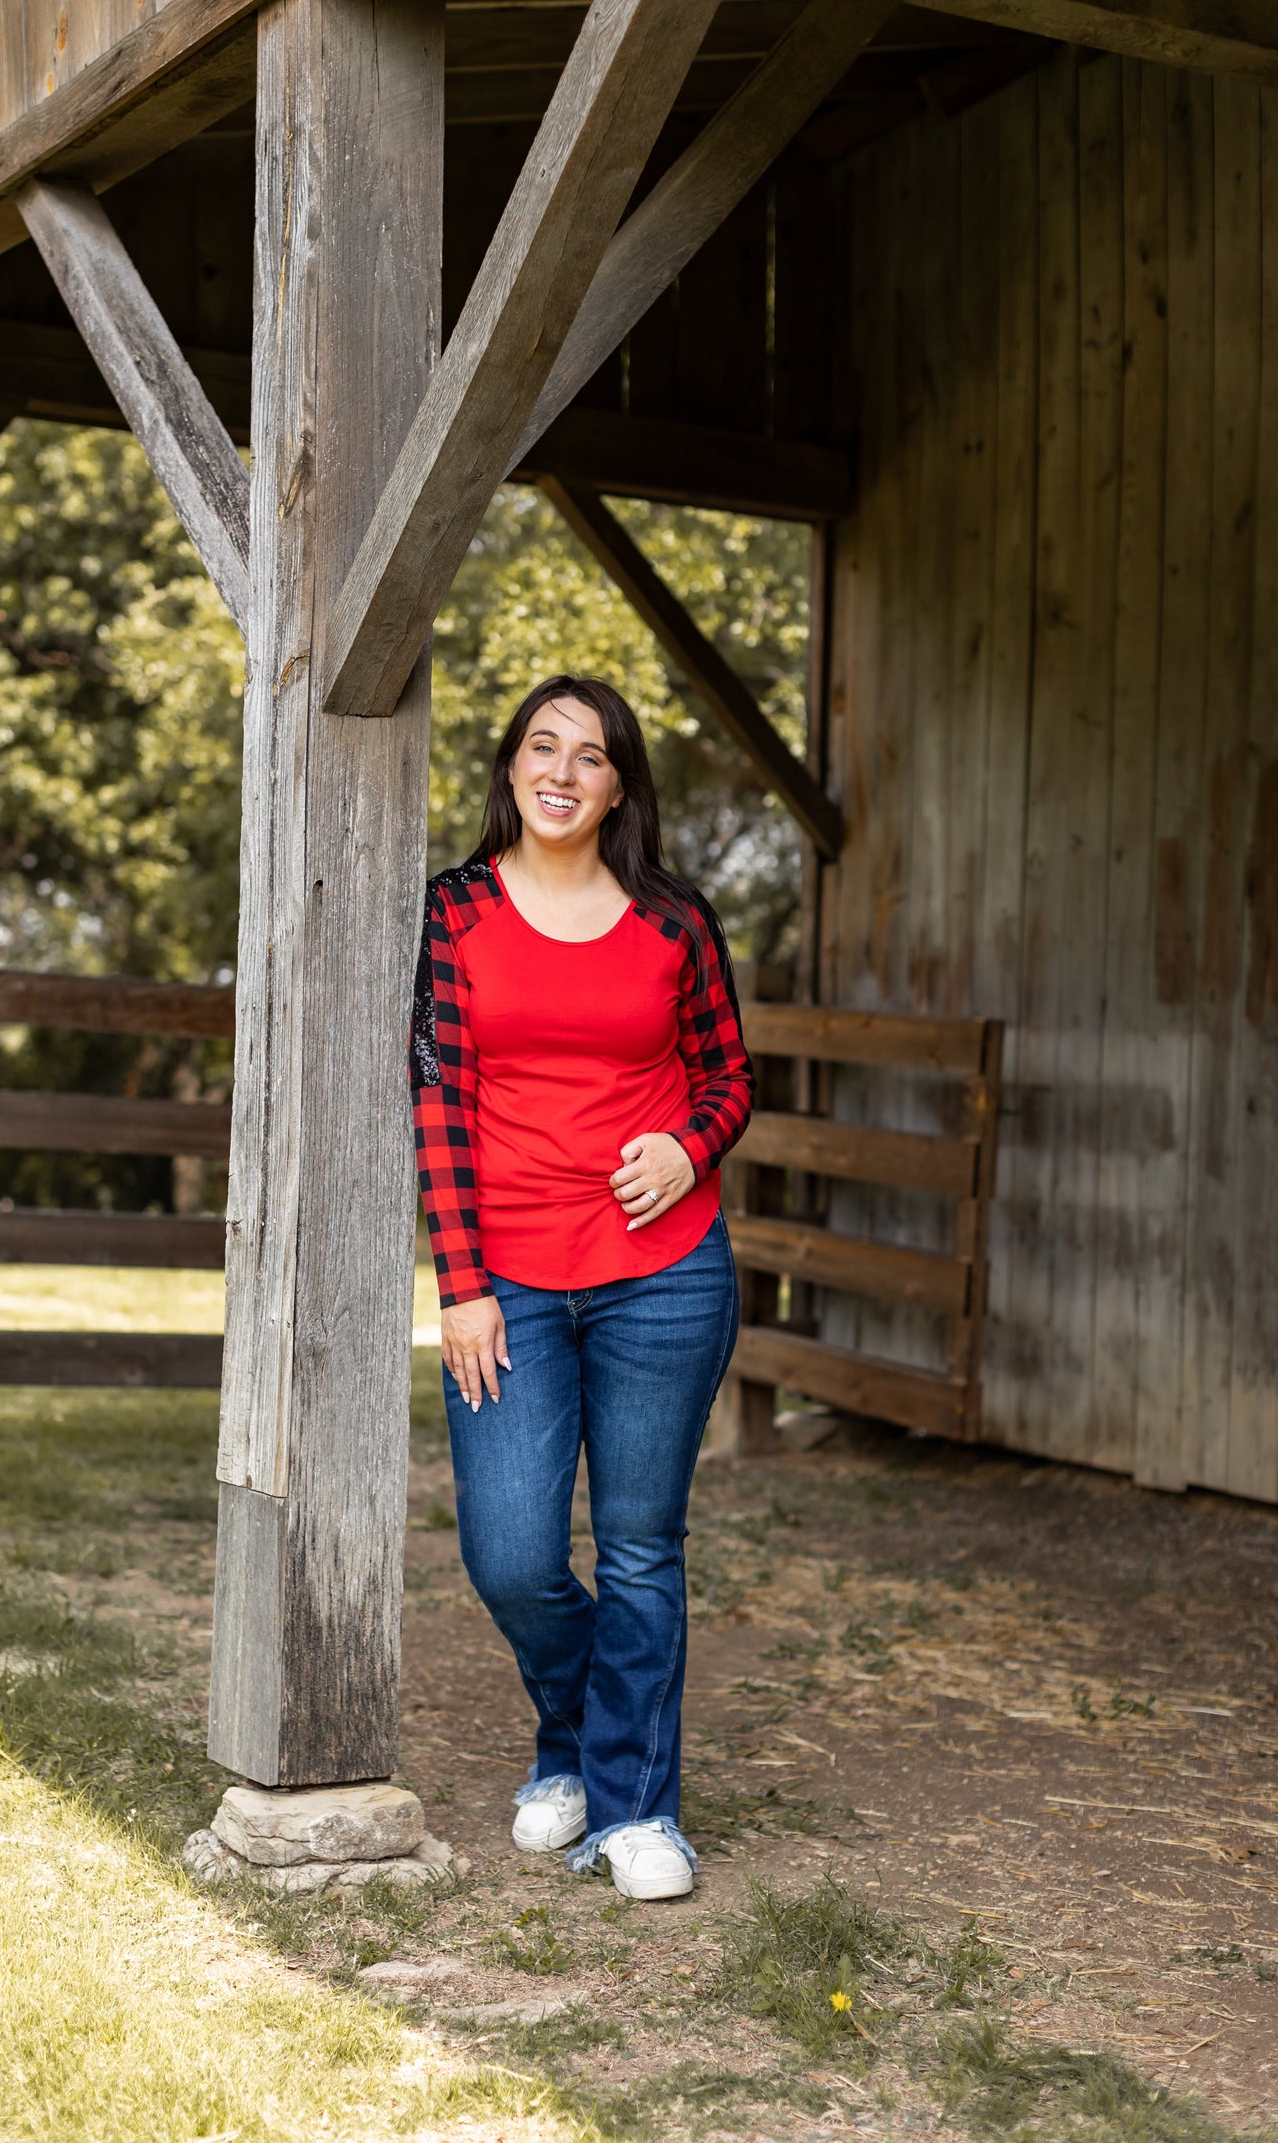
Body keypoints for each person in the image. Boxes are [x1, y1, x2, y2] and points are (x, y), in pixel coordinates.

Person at [410, 672, 754, 1902]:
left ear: (620, 785)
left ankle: (631, 1805)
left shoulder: (674, 921)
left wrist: (688, 1145)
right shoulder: (449, 913)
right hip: (505, 1274)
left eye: (592, 755)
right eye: (542, 746)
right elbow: (437, 1101)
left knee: (640, 1546)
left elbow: (728, 1076)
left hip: (661, 1275)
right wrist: (458, 1281)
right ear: (510, 766)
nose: (562, 770)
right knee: (509, 1554)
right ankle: (572, 1732)